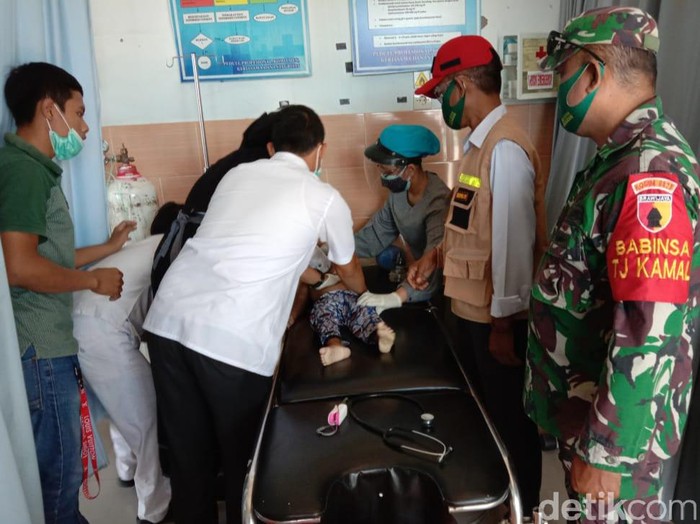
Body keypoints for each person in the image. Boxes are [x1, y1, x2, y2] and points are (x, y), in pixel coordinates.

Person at [143, 104, 367, 524]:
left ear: (270, 146)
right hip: (231, 341)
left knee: (191, 462)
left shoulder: (236, 176)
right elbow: (349, 268)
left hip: (168, 322)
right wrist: (367, 296)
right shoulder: (323, 197)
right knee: (245, 462)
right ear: (321, 149)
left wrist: (313, 275)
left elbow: (259, 247)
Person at [526, 7, 700, 521]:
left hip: (613, 440)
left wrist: (607, 452)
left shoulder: (651, 171)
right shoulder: (615, 159)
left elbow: (649, 326)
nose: (557, 89)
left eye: (562, 75)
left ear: (593, 72)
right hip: (587, 413)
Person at [408, 35, 548, 516]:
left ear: (463, 84)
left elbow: (513, 245)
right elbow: (475, 227)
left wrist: (505, 325)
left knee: (510, 423)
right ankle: (494, 501)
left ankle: (523, 507)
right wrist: (436, 257)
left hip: (494, 321)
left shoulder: (503, 147)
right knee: (486, 420)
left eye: (441, 90)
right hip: (471, 311)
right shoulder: (477, 147)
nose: (439, 101)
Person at [0, 62, 135, 524]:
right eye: (77, 112)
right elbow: (19, 266)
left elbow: (49, 254)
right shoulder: (22, 171)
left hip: (46, 345)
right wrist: (93, 280)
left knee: (62, 481)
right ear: (48, 109)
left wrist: (109, 248)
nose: (83, 126)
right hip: (39, 348)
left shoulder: (33, 168)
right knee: (59, 485)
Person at [73, 203, 182, 524]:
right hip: (102, 331)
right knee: (145, 418)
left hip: (87, 325)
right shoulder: (173, 248)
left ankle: (127, 466)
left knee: (125, 405)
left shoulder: (146, 247)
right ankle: (154, 508)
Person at [151, 112, 279, 293]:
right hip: (190, 284)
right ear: (274, 146)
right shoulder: (256, 170)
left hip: (176, 277)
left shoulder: (234, 163)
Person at [353, 124, 450, 311]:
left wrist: (395, 298)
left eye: (387, 173)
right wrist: (329, 251)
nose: (382, 177)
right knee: (385, 256)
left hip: (432, 282)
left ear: (410, 170)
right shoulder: (397, 195)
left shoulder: (438, 202)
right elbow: (375, 234)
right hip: (413, 270)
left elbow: (435, 262)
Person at [299, 256, 395, 366]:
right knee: (324, 319)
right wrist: (292, 318)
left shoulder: (339, 263)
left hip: (351, 296)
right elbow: (301, 294)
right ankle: (335, 346)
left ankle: (380, 337)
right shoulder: (308, 273)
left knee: (364, 313)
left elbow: (352, 272)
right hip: (326, 300)